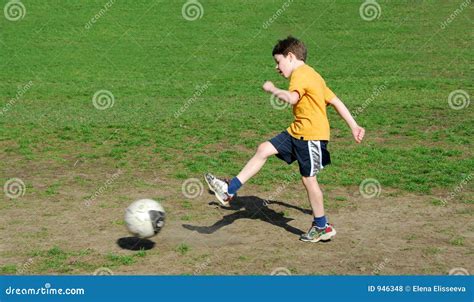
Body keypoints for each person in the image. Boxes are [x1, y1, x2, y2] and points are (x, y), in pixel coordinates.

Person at [205, 36, 365, 242]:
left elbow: (292, 98)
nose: (277, 68)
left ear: (290, 57)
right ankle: (229, 190)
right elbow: (335, 101)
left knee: (309, 179)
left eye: (278, 62)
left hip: (311, 136)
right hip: (297, 131)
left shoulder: (300, 75)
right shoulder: (314, 75)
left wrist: (272, 89)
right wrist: (354, 125)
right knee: (264, 149)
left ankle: (322, 226)